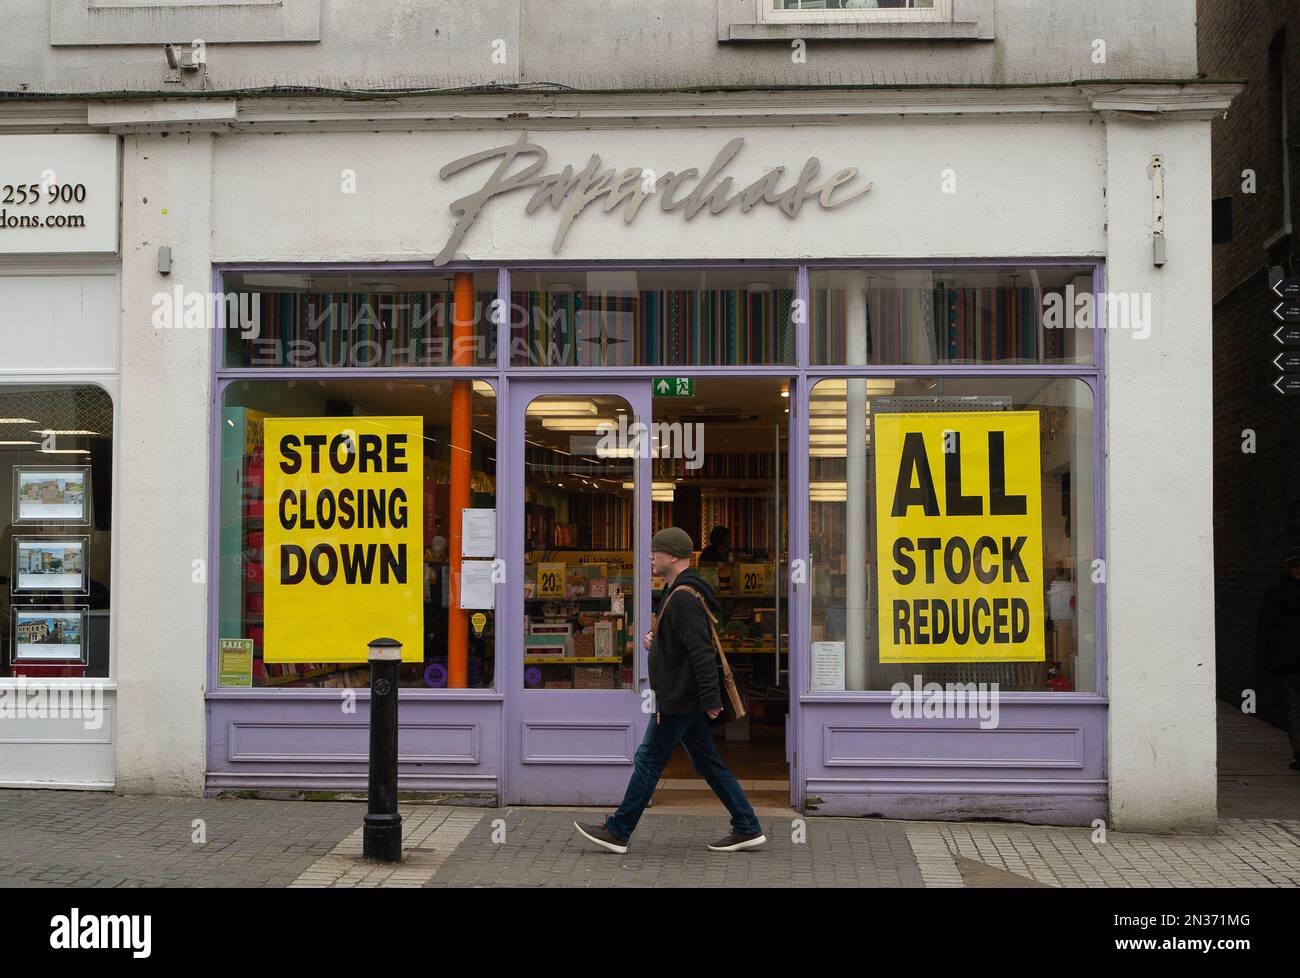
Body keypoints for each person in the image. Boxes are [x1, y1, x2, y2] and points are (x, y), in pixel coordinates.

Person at [574, 526, 766, 854]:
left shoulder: (682, 598)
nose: (650, 557)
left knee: (648, 759)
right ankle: (747, 826)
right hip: (683, 697)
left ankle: (619, 831)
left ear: (673, 556)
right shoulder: (678, 590)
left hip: (680, 698)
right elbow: (680, 642)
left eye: (656, 552)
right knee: (707, 762)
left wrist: (710, 699)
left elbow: (701, 650)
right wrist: (656, 640)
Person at [1254, 545, 1300, 772]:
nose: (1297, 569)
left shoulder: (1277, 590)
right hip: (1290, 660)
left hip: (1289, 657)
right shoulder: (1276, 591)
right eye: (1294, 565)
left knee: (1293, 707)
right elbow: (1266, 626)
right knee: (1293, 706)